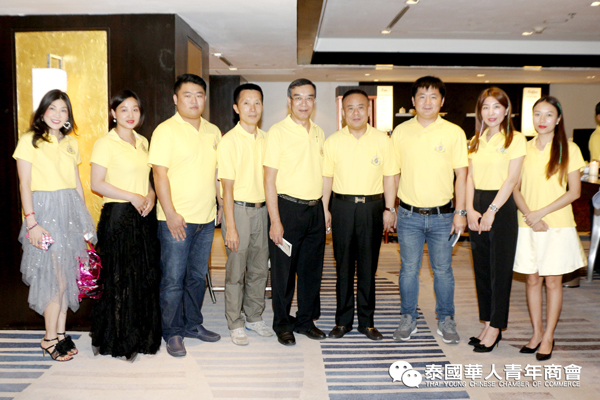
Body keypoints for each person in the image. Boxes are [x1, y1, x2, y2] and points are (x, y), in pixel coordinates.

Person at [13, 89, 95, 361]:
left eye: (63, 110)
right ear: (43, 111)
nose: (58, 115)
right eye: (53, 109)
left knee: (66, 277)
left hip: (69, 214)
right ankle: (48, 338)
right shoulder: (29, 140)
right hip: (44, 215)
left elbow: (77, 183)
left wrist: (84, 221)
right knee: (53, 277)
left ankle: (60, 334)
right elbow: (24, 183)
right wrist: (32, 222)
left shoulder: (71, 143)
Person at [149, 74, 223, 357]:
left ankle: (193, 324)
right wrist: (170, 213)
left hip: (206, 220)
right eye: (187, 95)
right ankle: (172, 332)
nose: (194, 100)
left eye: (199, 95)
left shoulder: (213, 131)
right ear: (175, 99)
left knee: (196, 277)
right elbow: (159, 175)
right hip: (176, 220)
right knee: (173, 279)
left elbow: (216, 174)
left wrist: (220, 205)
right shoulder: (165, 131)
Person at [391, 76, 467, 344]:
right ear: (413, 101)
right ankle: (408, 318)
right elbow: (393, 174)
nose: (427, 102)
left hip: (443, 216)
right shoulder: (400, 132)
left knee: (443, 271)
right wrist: (391, 208)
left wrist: (460, 212)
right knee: (408, 270)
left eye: (433, 96)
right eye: (421, 96)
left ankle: (446, 319)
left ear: (442, 101)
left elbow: (462, 175)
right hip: (408, 215)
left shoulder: (454, 132)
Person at [89, 90, 161, 360]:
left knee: (142, 276)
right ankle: (118, 337)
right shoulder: (104, 143)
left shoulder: (143, 141)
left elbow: (148, 179)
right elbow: (96, 183)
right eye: (124, 110)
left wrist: (151, 196)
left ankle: (140, 335)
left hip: (143, 215)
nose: (130, 115)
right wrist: (132, 196)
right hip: (118, 215)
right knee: (119, 277)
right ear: (113, 113)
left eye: (135, 109)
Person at [513, 96, 586, 361]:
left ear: (558, 119)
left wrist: (540, 213)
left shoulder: (570, 148)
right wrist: (529, 216)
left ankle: (549, 336)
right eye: (537, 114)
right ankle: (536, 333)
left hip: (557, 225)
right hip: (527, 224)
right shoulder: (523, 148)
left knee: (553, 282)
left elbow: (575, 192)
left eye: (548, 115)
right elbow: (514, 188)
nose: (542, 120)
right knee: (532, 279)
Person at [323, 89, 398, 341]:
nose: (355, 113)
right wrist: (324, 208)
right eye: (350, 108)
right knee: (343, 267)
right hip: (342, 207)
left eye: (360, 107)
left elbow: (390, 177)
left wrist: (389, 209)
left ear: (369, 110)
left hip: (372, 207)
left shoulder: (382, 140)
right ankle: (342, 322)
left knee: (368, 267)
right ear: (343, 113)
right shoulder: (333, 141)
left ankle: (367, 322)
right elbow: (326, 178)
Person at [264, 78, 326, 346]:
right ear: (289, 101)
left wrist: (325, 209)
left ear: (314, 101)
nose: (304, 103)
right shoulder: (277, 132)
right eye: (298, 98)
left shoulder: (319, 132)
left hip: (315, 210)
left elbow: (322, 174)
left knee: (311, 271)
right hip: (287, 209)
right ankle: (282, 324)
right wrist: (275, 220)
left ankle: (305, 321)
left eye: (309, 98)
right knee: (284, 273)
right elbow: (268, 180)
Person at [466, 87, 526, 352]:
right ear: (480, 111)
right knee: (481, 269)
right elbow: (469, 178)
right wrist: (469, 208)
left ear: (506, 110)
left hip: (501, 206)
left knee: (499, 271)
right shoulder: (475, 140)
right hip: (477, 204)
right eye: (485, 107)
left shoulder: (515, 139)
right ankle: (488, 322)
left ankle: (496, 327)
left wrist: (491, 210)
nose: (491, 112)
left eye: (496, 107)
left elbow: (511, 180)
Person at [217, 83, 273, 345]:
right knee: (236, 271)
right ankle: (235, 322)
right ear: (236, 108)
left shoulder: (267, 139)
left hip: (263, 211)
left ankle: (254, 316)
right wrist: (230, 227)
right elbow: (226, 188)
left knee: (260, 269)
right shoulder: (228, 141)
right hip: (238, 211)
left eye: (257, 103)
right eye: (246, 103)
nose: (253, 108)